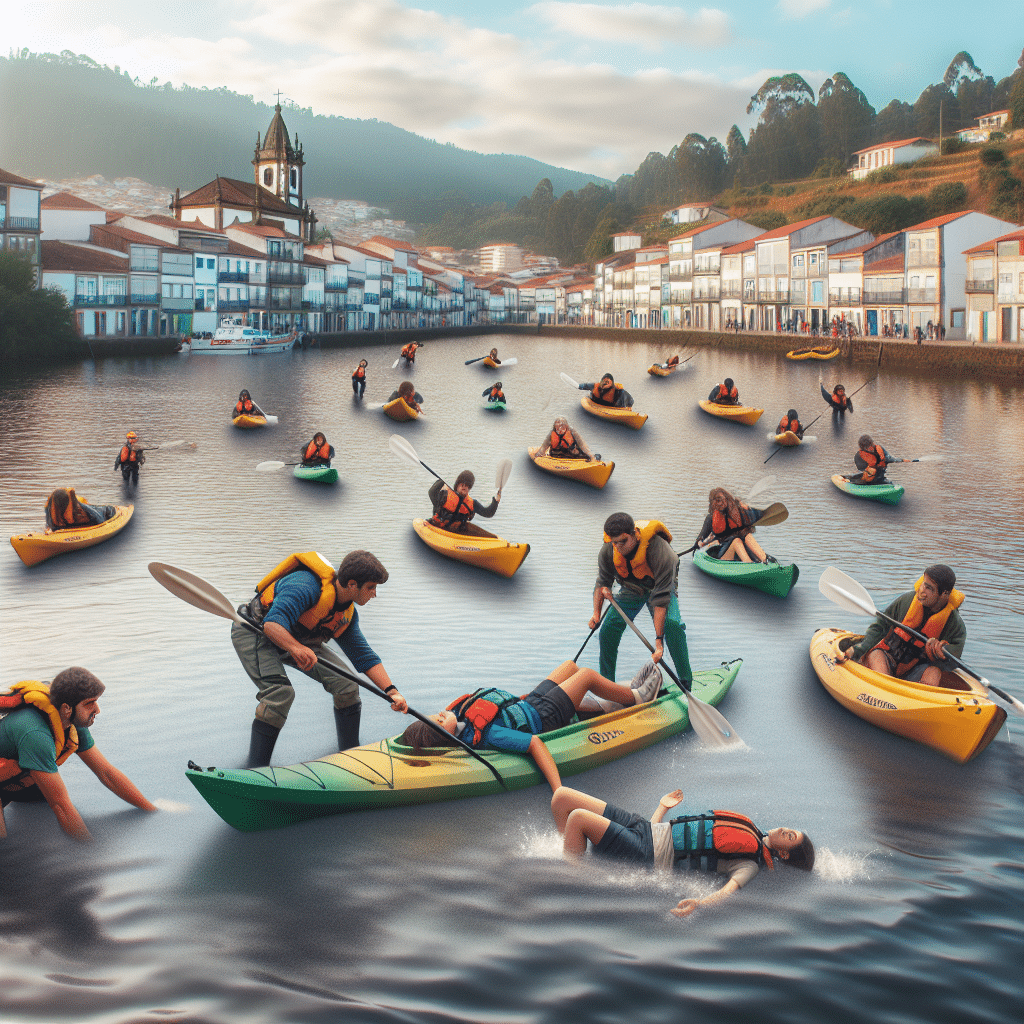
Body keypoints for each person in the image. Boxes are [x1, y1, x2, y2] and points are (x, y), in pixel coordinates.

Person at [231, 550, 409, 766]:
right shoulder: (305, 586)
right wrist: (296, 649)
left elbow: (362, 655)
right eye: (371, 587)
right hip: (256, 633)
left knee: (347, 685)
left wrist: (392, 691)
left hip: (297, 639)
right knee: (280, 694)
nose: (374, 594)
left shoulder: (345, 613)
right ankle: (255, 767)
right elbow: (272, 624)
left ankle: (350, 754)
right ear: (352, 584)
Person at [398, 659, 664, 793]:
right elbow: (534, 744)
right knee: (586, 676)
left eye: (436, 715)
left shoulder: (462, 715)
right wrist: (558, 790)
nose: (443, 713)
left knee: (570, 666)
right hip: (545, 717)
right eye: (439, 721)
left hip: (532, 702)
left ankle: (612, 699)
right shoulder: (486, 735)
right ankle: (635, 698)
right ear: (446, 735)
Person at [551, 786, 814, 916]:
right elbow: (663, 833)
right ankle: (574, 851)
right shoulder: (751, 828)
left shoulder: (750, 864)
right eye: (791, 829)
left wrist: (698, 903)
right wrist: (663, 808)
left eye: (790, 836)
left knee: (577, 818)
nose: (785, 830)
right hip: (644, 827)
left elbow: (727, 891)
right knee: (562, 797)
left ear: (785, 854)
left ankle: (572, 883)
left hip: (646, 855)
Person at [0, 669, 157, 842]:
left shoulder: (72, 721)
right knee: (4, 846)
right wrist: (90, 853)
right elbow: (60, 805)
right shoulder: (35, 734)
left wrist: (153, 811)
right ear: (67, 708)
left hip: (16, 780)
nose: (97, 710)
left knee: (45, 814)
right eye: (90, 703)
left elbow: (107, 773)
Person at [591, 512, 693, 686]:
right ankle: (606, 686)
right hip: (632, 588)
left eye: (623, 541)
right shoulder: (609, 549)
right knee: (607, 630)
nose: (618, 547)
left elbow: (661, 599)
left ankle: (686, 681)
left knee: (672, 625)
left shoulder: (661, 552)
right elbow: (602, 582)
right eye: (614, 542)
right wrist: (596, 614)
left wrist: (658, 641)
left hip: (659, 588)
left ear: (635, 535)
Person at [835, 565, 966, 686]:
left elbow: (954, 658)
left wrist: (942, 650)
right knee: (876, 655)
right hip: (888, 658)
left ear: (945, 594)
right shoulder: (906, 601)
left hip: (916, 669)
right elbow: (880, 627)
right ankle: (883, 690)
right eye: (923, 584)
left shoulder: (955, 624)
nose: (921, 590)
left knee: (934, 672)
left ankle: (917, 704)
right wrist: (858, 650)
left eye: (929, 588)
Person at [695, 487, 769, 563]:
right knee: (736, 541)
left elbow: (752, 520)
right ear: (713, 503)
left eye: (721, 500)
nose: (720, 504)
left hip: (742, 550)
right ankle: (749, 563)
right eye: (717, 501)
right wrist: (700, 542)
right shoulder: (711, 518)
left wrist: (747, 509)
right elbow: (700, 538)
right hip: (724, 554)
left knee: (748, 536)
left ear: (726, 499)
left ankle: (765, 560)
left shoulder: (737, 512)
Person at [428, 470, 500, 534]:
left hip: (457, 535)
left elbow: (488, 513)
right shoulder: (444, 495)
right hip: (437, 529)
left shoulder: (472, 503)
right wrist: (442, 480)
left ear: (470, 488)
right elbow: (432, 493)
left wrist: (495, 502)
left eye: (467, 485)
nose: (464, 486)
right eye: (462, 484)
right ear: (457, 484)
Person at [44, 487, 116, 533]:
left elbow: (100, 519)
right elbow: (50, 525)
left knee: (106, 510)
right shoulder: (51, 507)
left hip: (104, 512)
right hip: (71, 524)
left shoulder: (79, 509)